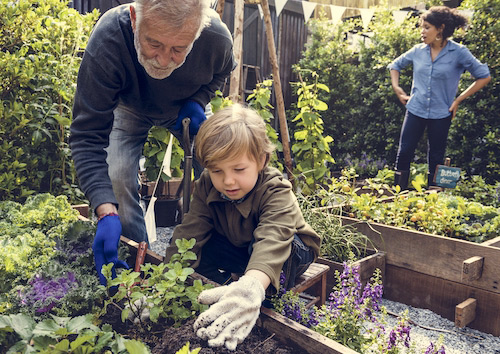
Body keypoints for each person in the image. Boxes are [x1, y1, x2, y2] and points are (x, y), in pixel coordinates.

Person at [69, 0, 235, 284]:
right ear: (135, 18)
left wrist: (198, 101)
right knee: (117, 180)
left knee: (222, 170)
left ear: (198, 31)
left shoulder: (215, 37)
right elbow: (87, 136)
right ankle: (138, 266)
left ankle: (222, 257)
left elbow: (221, 71)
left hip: (185, 107)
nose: (162, 59)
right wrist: (105, 209)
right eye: (154, 43)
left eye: (178, 49)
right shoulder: (110, 38)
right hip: (128, 107)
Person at [164, 104, 321, 350]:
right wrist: (164, 285)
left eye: (238, 169)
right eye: (217, 170)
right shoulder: (207, 185)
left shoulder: (275, 189)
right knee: (194, 248)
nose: (228, 180)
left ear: (261, 161)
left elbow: (273, 237)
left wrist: (253, 287)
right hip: (240, 246)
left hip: (288, 249)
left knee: (283, 250)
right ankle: (226, 290)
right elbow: (190, 232)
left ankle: (262, 299)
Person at [388, 6, 490, 189]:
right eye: (422, 27)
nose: (422, 31)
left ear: (440, 29)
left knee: (436, 158)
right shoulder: (418, 51)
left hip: (442, 113)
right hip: (415, 109)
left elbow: (484, 76)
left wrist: (458, 100)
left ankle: (433, 202)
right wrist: (397, 88)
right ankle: (397, 198)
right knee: (404, 153)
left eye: (427, 27)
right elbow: (395, 65)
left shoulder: (458, 52)